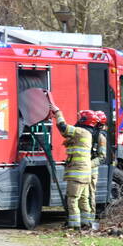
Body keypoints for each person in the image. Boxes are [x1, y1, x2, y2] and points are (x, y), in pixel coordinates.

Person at [46, 92, 97, 230]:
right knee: (83, 200)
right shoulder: (87, 134)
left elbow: (63, 128)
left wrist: (57, 112)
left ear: (84, 120)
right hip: (85, 173)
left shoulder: (81, 132)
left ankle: (74, 226)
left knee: (72, 199)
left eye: (80, 118)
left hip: (77, 174)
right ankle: (87, 224)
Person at [87, 110, 109, 225]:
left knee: (90, 194)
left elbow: (102, 157)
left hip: (91, 169)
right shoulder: (89, 133)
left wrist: (88, 165)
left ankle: (90, 219)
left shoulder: (101, 137)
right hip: (84, 169)